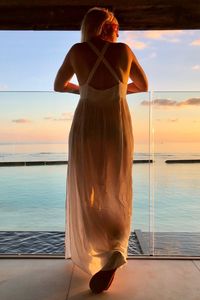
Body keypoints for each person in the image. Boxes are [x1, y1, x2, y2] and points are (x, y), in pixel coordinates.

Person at [54, 7, 148, 294]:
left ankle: (102, 249)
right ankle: (115, 248)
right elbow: (143, 85)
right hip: (116, 126)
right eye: (117, 25)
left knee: (88, 188)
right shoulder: (124, 51)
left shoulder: (77, 50)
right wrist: (117, 91)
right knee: (116, 185)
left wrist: (84, 89)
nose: (120, 31)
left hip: (86, 124)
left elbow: (58, 86)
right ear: (108, 27)